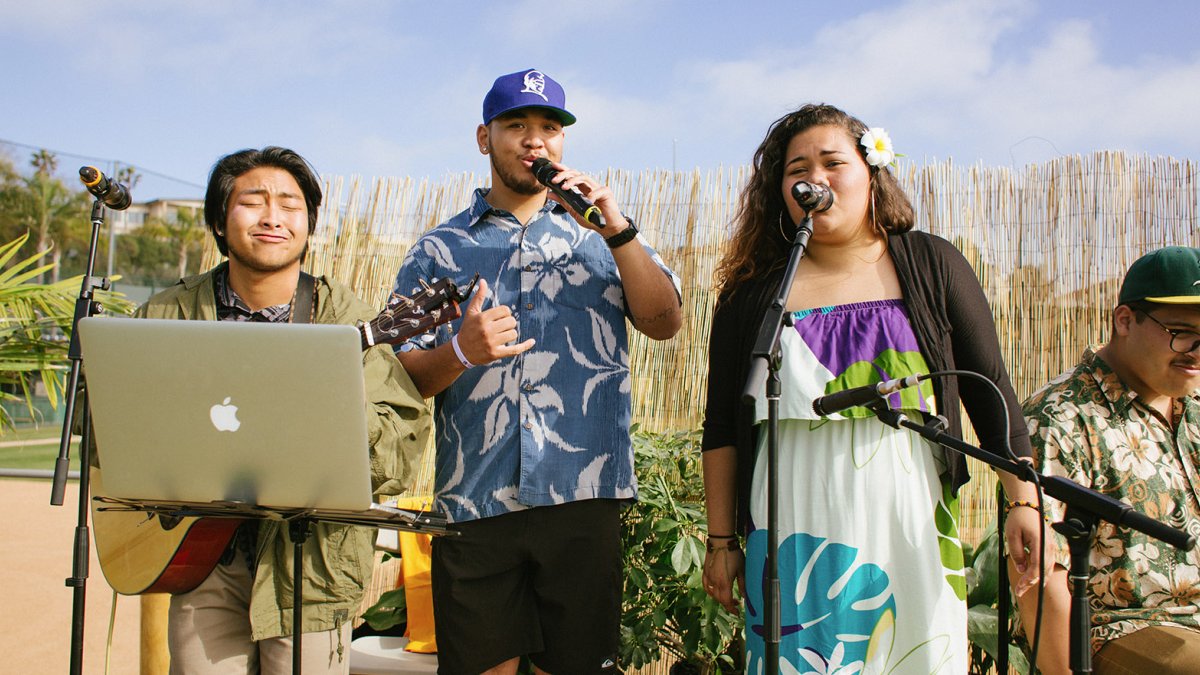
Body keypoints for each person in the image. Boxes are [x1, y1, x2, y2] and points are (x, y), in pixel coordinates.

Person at [700, 104, 1050, 674]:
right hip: (791, 527)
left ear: (871, 173)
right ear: (780, 191)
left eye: (833, 162)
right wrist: (721, 543)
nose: (815, 178)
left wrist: (1023, 499)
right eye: (797, 170)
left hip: (907, 518)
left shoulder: (932, 264)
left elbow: (991, 394)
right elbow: (721, 426)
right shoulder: (750, 293)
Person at [390, 68, 682, 674]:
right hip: (474, 501)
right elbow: (403, 380)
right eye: (516, 125)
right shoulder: (438, 250)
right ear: (483, 138)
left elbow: (664, 321)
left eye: (549, 127)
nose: (534, 141)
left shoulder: (605, 235)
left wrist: (618, 231)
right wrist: (462, 351)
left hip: (583, 492)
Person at [136, 146, 429, 674]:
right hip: (197, 556)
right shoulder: (165, 313)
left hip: (309, 566)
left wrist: (328, 396)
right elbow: (110, 426)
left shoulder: (348, 319)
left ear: (309, 226)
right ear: (220, 223)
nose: (273, 217)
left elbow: (394, 459)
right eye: (254, 201)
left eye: (290, 205)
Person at [1017, 246, 1200, 675]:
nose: (1196, 350)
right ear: (1123, 320)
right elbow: (1036, 576)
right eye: (1180, 331)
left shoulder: (1193, 408)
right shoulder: (1059, 417)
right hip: (1116, 628)